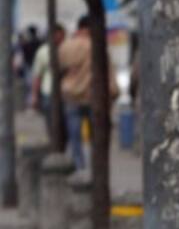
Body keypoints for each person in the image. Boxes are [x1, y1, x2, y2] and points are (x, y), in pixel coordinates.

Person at [58, 17, 116, 171]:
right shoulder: (97, 46)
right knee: (96, 137)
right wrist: (113, 93)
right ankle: (96, 169)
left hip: (70, 96)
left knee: (75, 137)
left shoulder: (65, 46)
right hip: (93, 95)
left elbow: (59, 70)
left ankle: (80, 167)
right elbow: (108, 73)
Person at [29, 24, 65, 137]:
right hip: (48, 92)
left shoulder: (67, 49)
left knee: (66, 126)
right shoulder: (43, 52)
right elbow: (37, 75)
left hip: (66, 93)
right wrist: (34, 95)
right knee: (51, 124)